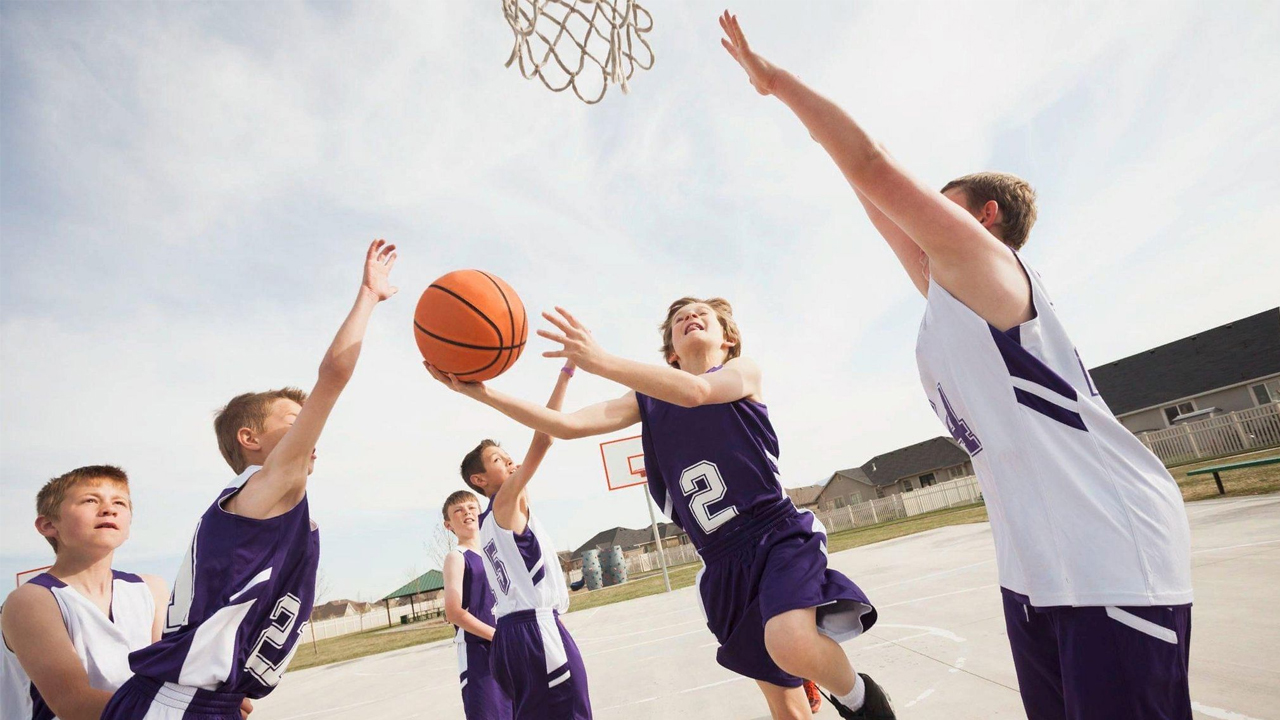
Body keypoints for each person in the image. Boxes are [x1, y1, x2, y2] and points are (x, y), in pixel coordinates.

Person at [717, 11, 1193, 719]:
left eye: (937, 209)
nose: (915, 219)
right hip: (1038, 570)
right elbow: (871, 193)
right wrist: (818, 137)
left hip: (1112, 555)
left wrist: (779, 83)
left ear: (986, 217)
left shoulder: (989, 267)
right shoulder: (950, 299)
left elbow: (875, 166)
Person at [429, 300, 891, 719]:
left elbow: (694, 393)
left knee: (788, 642)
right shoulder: (646, 400)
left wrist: (599, 360)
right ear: (670, 349)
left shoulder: (742, 372)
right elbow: (565, 426)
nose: (689, 317)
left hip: (776, 536)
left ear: (726, 338)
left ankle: (863, 702)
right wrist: (481, 393)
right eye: (677, 319)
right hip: (722, 562)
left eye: (701, 314)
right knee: (785, 704)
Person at [101, 239, 399, 719]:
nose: (307, 428)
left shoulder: (258, 507)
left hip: (201, 701)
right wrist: (368, 296)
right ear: (250, 438)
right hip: (176, 705)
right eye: (292, 419)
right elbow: (334, 375)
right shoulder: (263, 488)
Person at [436, 360, 591, 719]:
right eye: (496, 459)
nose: (507, 459)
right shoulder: (502, 504)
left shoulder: (497, 516)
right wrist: (565, 375)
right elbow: (547, 434)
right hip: (534, 629)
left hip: (512, 635)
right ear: (479, 480)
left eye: (507, 455)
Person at [442, 489, 514, 720]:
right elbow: (453, 612)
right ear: (448, 524)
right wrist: (496, 636)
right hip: (479, 652)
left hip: (508, 645)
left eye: (472, 508)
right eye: (458, 511)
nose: (467, 513)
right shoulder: (457, 556)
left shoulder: (494, 552)